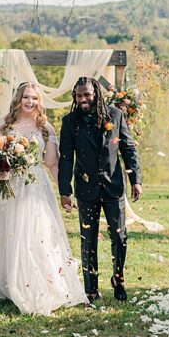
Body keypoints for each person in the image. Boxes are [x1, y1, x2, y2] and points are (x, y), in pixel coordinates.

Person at [0, 83, 87, 315]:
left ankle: (30, 279)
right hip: (5, 182)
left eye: (35, 98)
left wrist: (64, 192)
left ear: (40, 101)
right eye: (26, 97)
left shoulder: (45, 127)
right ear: (18, 99)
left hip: (33, 186)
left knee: (30, 232)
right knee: (0, 229)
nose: (30, 102)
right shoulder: (4, 124)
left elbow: (52, 163)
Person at [59, 76, 142, 304]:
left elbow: (128, 148)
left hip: (113, 186)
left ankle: (118, 279)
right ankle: (90, 287)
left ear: (96, 93)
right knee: (88, 239)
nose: (83, 99)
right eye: (79, 95)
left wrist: (136, 179)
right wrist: (64, 190)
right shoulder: (69, 122)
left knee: (120, 236)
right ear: (75, 97)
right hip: (86, 188)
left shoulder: (115, 115)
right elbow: (66, 158)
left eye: (87, 94)